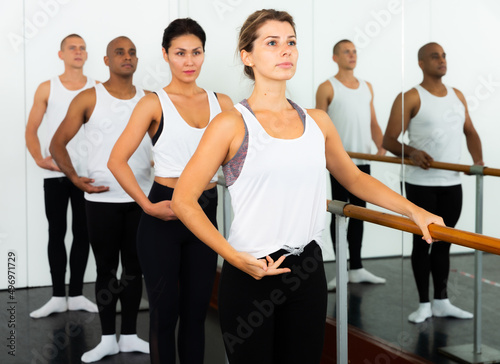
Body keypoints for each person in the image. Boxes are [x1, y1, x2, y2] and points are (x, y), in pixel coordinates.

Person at [170, 9, 444, 364]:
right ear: (247, 56)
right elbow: (183, 199)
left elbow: (355, 178)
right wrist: (232, 256)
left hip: (307, 270)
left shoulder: (317, 121)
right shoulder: (231, 123)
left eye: (291, 42)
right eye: (272, 43)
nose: (286, 50)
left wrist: (414, 210)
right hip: (251, 270)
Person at [107, 19, 233, 364]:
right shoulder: (153, 103)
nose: (189, 61)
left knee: (197, 315)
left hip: (205, 212)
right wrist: (147, 206)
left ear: (204, 54)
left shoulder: (222, 102)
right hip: (164, 214)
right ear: (165, 55)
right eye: (180, 53)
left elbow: (240, 160)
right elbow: (116, 160)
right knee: (165, 314)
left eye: (196, 52)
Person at [50, 36, 151, 362]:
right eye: (119, 52)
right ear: (106, 60)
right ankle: (108, 338)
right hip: (102, 200)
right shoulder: (88, 97)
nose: (127, 57)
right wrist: (75, 179)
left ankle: (131, 336)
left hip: (140, 200)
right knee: (107, 270)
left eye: (132, 52)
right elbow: (56, 144)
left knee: (134, 270)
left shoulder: (151, 100)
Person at [383, 42, 484, 324]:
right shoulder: (410, 97)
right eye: (434, 56)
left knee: (444, 243)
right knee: (422, 242)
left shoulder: (457, 96)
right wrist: (412, 152)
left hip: (451, 182)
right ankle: (423, 303)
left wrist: (479, 164)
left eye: (443, 55)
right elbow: (388, 139)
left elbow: (470, 131)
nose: (441, 60)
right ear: (421, 63)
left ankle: (441, 301)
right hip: (420, 184)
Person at [25, 34, 98, 318]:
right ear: (61, 54)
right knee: (56, 231)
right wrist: (39, 158)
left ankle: (77, 294)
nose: (78, 52)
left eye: (82, 47)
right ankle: (57, 295)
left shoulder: (97, 88)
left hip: (87, 173)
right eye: (72, 48)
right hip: (56, 173)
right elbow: (31, 129)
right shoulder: (48, 88)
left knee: (83, 233)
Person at [316, 39, 386, 291]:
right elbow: (318, 126)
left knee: (360, 214)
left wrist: (381, 147)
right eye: (346, 51)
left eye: (354, 51)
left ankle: (356, 267)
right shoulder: (327, 87)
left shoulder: (367, 87)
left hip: (363, 161)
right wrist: (322, 156)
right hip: (339, 162)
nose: (352, 55)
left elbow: (373, 122)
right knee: (340, 212)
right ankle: (341, 270)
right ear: (335, 57)